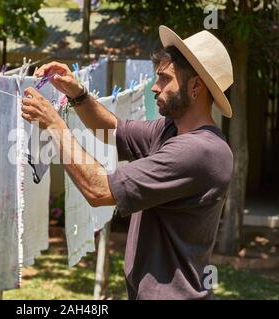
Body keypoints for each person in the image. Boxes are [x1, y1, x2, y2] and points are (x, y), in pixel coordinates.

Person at [21, 25, 234, 299]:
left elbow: (98, 190)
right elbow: (112, 128)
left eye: (165, 79)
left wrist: (55, 125)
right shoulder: (171, 130)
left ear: (196, 86)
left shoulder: (200, 152)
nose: (155, 88)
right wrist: (77, 93)